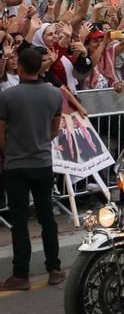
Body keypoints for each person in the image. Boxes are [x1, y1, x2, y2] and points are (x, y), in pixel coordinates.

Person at [0, 47, 66, 290]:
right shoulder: (54, 95)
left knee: (19, 221)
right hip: (42, 162)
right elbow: (54, 130)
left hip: (16, 163)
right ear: (40, 67)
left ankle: (21, 274)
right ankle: (55, 268)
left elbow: (1, 134)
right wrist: (39, 141)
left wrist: (13, 149)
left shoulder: (8, 96)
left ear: (19, 67)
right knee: (46, 216)